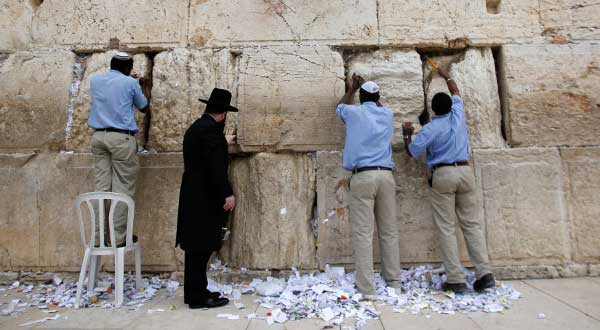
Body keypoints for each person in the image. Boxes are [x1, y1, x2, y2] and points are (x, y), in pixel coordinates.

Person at [402, 66, 495, 294]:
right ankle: (485, 273)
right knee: (472, 225)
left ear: (432, 110)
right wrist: (446, 75)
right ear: (450, 107)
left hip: (443, 174)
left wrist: (406, 134)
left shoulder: (430, 129)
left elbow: (412, 152)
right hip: (465, 172)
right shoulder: (458, 116)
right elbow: (456, 91)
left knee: (446, 227)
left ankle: (455, 278)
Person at [336, 74, 401, 300]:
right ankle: (394, 281)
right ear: (378, 97)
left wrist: (353, 88)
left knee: (364, 234)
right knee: (389, 231)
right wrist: (369, 93)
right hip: (385, 176)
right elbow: (377, 105)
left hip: (363, 176)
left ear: (361, 98)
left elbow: (339, 107)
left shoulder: (353, 112)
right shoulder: (387, 114)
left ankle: (367, 289)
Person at [176, 88, 238, 309]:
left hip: (192, 196)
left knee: (195, 248)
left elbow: (206, 153)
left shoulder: (197, 128)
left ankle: (194, 292)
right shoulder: (211, 133)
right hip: (205, 198)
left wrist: (222, 142)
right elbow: (215, 168)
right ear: (223, 114)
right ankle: (198, 297)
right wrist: (227, 193)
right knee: (201, 247)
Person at [88, 51, 149, 247]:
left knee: (101, 189)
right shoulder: (130, 83)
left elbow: (112, 89)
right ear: (127, 68)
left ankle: (98, 238)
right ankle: (117, 238)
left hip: (98, 137)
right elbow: (144, 107)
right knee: (122, 189)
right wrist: (140, 84)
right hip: (121, 138)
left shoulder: (95, 81)